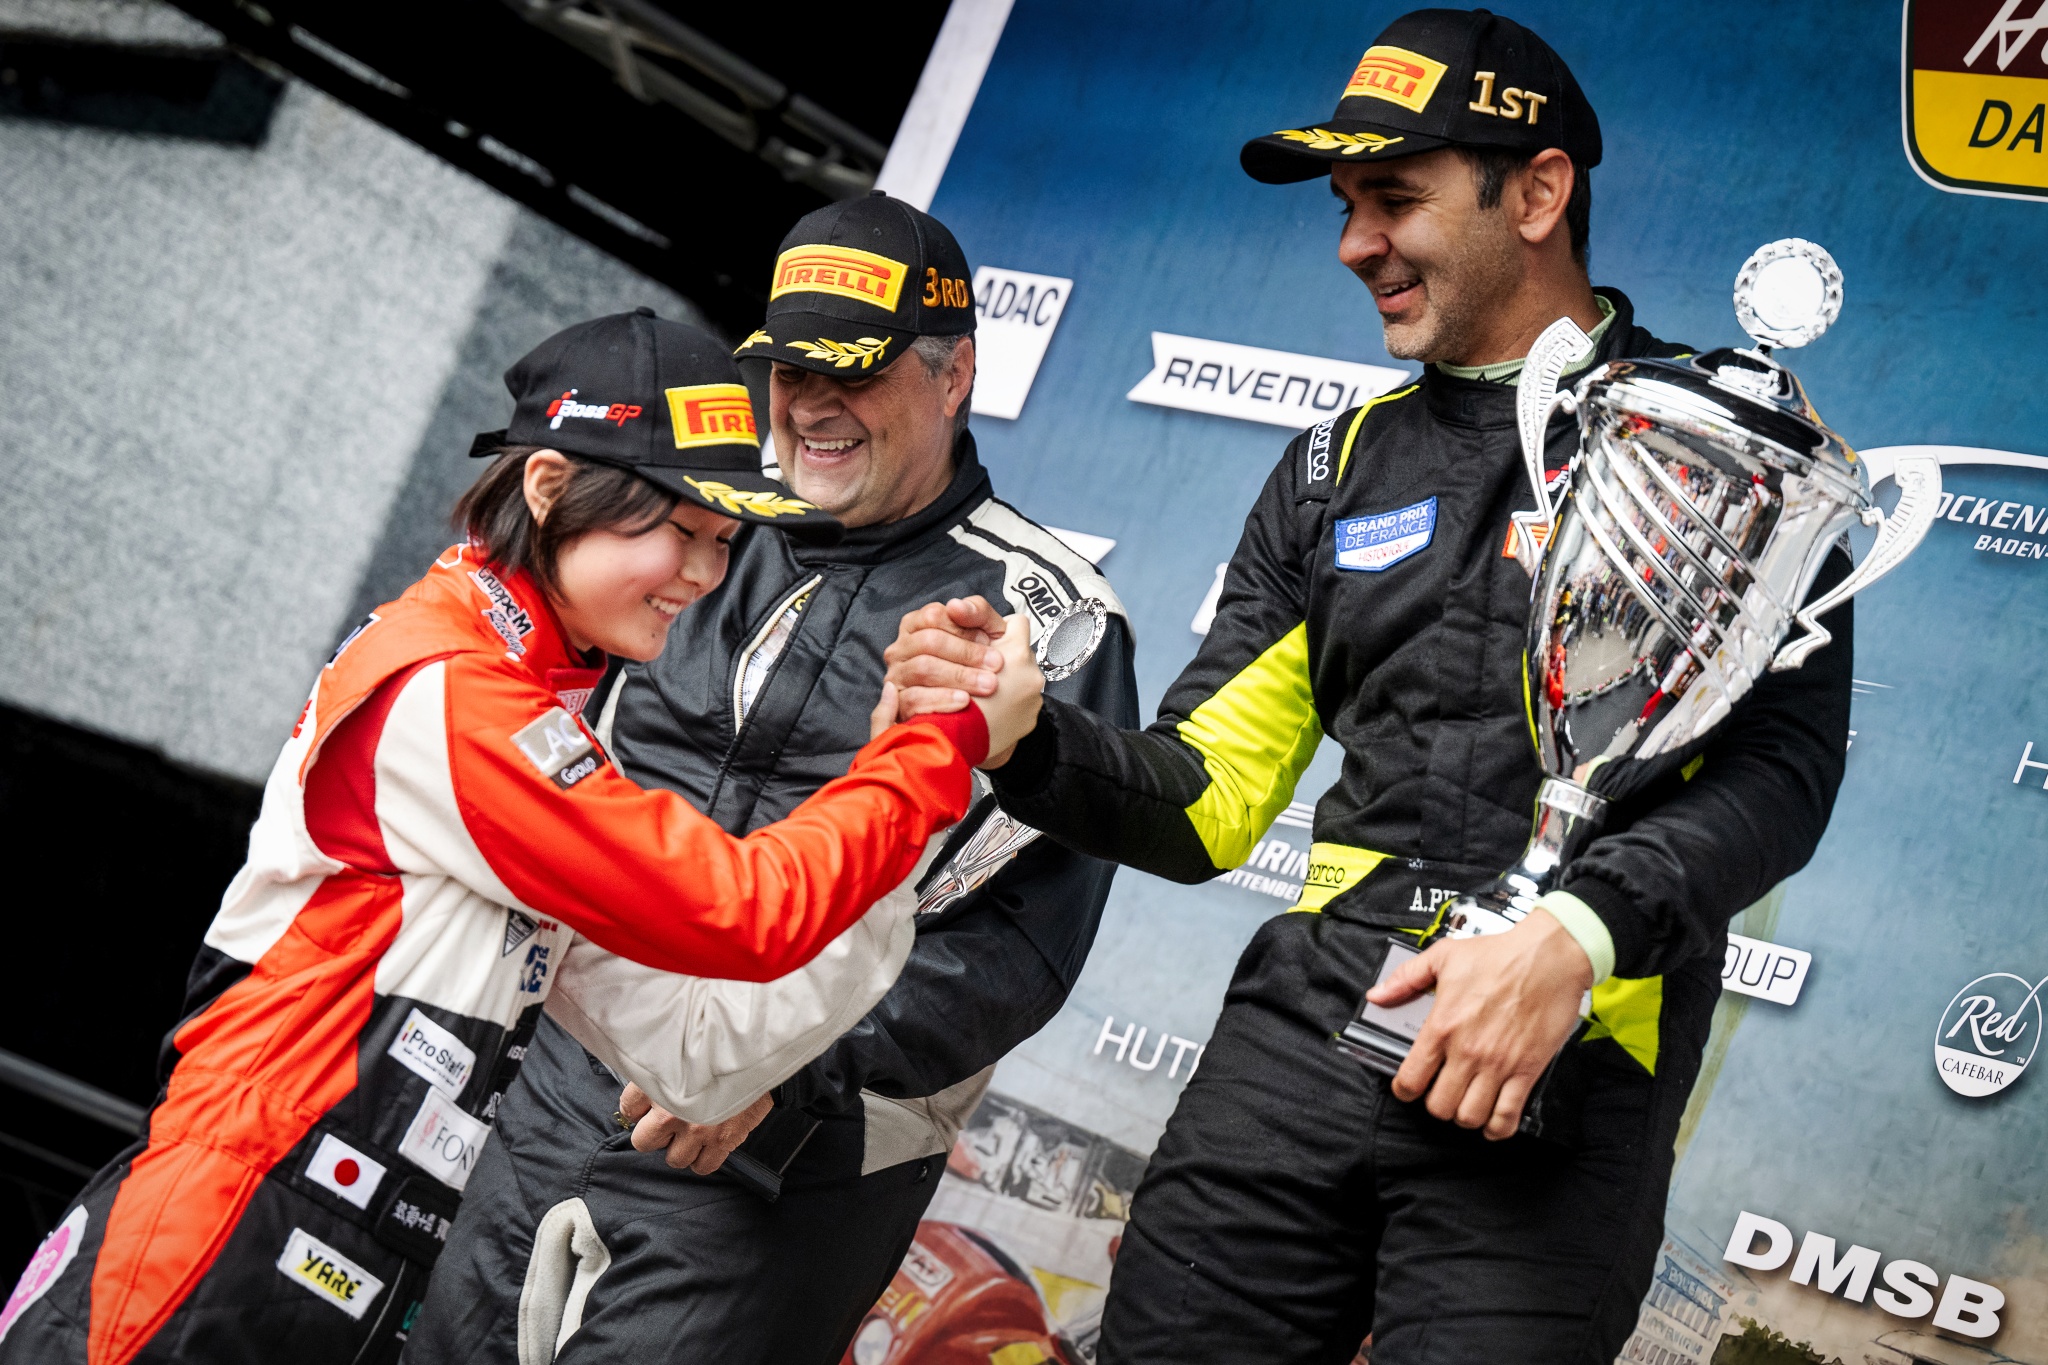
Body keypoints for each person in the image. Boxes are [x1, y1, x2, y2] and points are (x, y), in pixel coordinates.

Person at [886, 10, 1854, 1363]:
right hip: (1301, 1039)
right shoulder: (1330, 472)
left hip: (1563, 1046)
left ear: (1537, 193)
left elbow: (1779, 775)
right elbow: (1210, 799)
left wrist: (1574, 937)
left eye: (1394, 199)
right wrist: (1033, 740)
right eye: (1345, 208)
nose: (1354, 244)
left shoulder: (1720, 454)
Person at [0, 310, 1042, 1365]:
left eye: (723, 542)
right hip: (213, 1240)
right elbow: (735, 909)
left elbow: (700, 1054)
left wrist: (911, 791)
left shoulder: (540, 715)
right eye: (676, 531)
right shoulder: (450, 687)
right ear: (549, 487)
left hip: (349, 1282)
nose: (701, 574)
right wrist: (937, 748)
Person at [404, 194, 1138, 1365]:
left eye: (853, 372)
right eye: (791, 370)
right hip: (555, 1099)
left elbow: (1018, 944)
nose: (810, 405)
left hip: (784, 1157)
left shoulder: (1046, 619)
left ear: (953, 376)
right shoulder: (686, 531)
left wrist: (782, 1077)